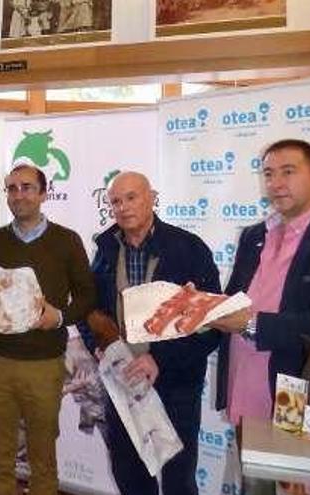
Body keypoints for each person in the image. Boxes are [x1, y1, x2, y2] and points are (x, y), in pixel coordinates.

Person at [81, 171, 220, 495]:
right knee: (129, 475)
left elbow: (211, 323)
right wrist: (98, 346)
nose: (124, 207)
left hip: (175, 385)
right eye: (115, 200)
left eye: (132, 197)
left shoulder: (188, 249)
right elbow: (90, 310)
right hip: (122, 382)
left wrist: (160, 360)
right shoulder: (104, 250)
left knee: (178, 480)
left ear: (152, 197)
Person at [211, 139, 310, 425]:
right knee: (249, 467)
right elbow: (234, 300)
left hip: (295, 394)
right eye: (269, 174)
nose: (276, 183)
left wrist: (252, 324)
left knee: (285, 468)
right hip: (242, 383)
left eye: (288, 172)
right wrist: (201, 306)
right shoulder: (253, 236)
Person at [0, 164, 96, 495]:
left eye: (27, 187)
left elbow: (88, 296)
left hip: (44, 365)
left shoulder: (67, 240)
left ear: (44, 193)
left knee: (43, 459)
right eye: (12, 188)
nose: (19, 194)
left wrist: (59, 317)